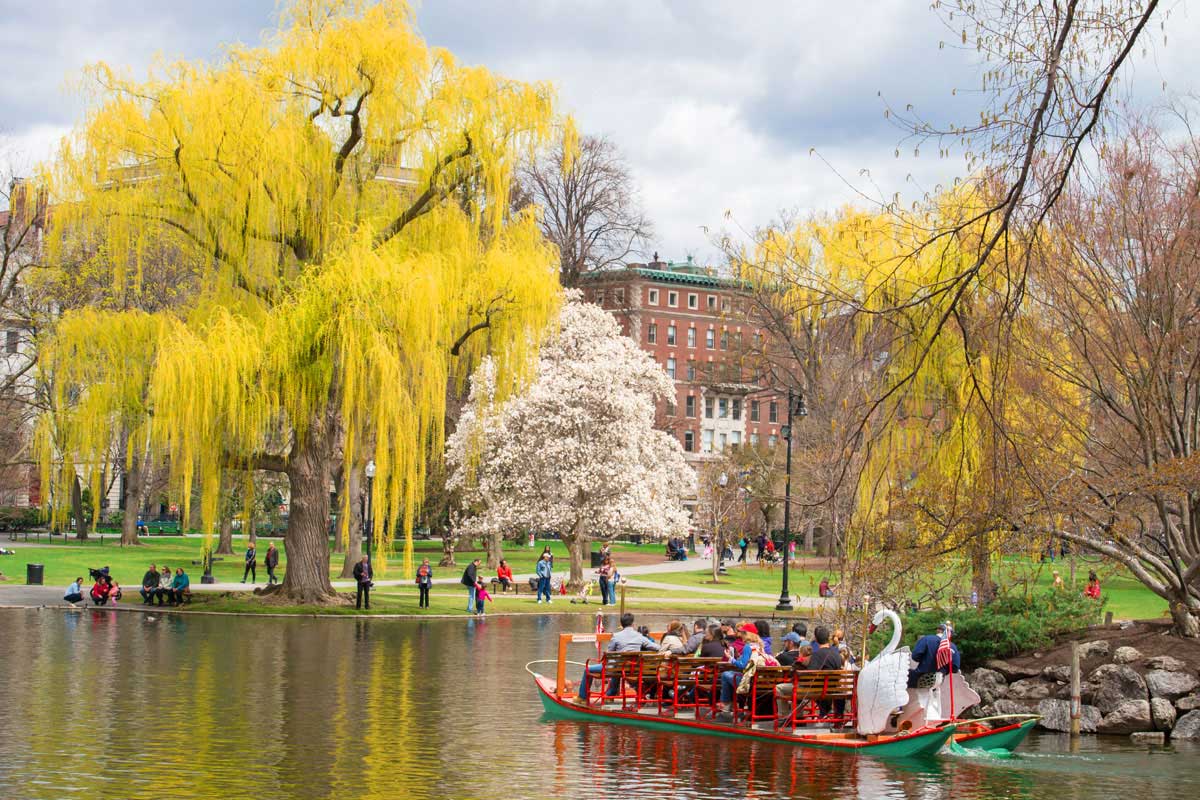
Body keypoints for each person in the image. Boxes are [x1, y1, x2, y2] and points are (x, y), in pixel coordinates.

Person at [580, 612, 659, 699]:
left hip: (617, 668)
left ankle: (583, 697)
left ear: (621, 624)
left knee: (588, 669)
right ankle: (610, 694)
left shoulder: (616, 636)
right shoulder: (639, 636)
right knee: (617, 667)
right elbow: (656, 647)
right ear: (633, 624)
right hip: (633, 668)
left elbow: (609, 653)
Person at [907, 622, 960, 689]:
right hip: (938, 681)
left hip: (921, 677)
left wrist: (925, 660)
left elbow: (915, 656)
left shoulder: (927, 639)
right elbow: (955, 668)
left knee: (901, 676)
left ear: (938, 630)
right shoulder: (952, 646)